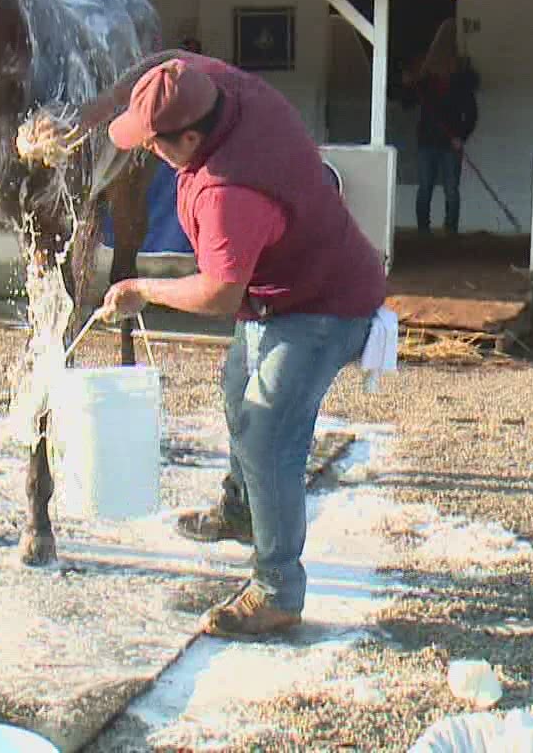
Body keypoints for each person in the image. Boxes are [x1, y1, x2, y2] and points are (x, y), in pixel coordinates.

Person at [24, 51, 386, 637]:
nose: (147, 152)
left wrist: (143, 288)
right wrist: (84, 120)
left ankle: (277, 591)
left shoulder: (229, 190)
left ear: (190, 137)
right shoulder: (208, 84)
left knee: (268, 433)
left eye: (155, 144)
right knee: (235, 391)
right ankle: (244, 510)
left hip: (321, 305)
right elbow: (159, 61)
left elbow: (219, 294)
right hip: (277, 291)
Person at [398, 36, 480, 236]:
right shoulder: (425, 85)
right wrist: (407, 85)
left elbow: (471, 115)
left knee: (451, 190)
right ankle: (423, 230)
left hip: (450, 145)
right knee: (425, 187)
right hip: (427, 143)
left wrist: (461, 137)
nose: (444, 66)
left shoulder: (461, 87)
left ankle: (451, 229)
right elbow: (406, 104)